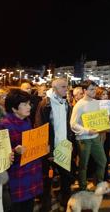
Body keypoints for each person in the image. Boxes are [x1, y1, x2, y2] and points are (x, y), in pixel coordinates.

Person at [0, 89, 43, 212]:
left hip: (31, 173)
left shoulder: (27, 120)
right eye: (24, 104)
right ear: (14, 108)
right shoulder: (4, 125)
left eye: (29, 103)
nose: (29, 107)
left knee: (29, 206)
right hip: (17, 177)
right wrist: (14, 151)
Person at [35, 78, 75, 211]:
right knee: (47, 179)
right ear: (54, 88)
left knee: (66, 177)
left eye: (66, 87)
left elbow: (67, 125)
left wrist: (69, 142)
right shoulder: (45, 104)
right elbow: (41, 127)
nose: (66, 89)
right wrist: (49, 150)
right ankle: (45, 204)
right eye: (63, 87)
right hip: (50, 148)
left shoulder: (66, 103)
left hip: (64, 146)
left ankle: (65, 202)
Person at [70, 80, 107, 191]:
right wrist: (86, 131)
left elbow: (100, 118)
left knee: (102, 161)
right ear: (84, 91)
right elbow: (73, 124)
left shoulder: (97, 102)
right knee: (83, 165)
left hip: (95, 137)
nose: (94, 91)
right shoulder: (79, 105)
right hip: (83, 139)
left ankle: (99, 184)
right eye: (91, 89)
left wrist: (106, 121)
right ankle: (82, 187)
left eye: (95, 89)